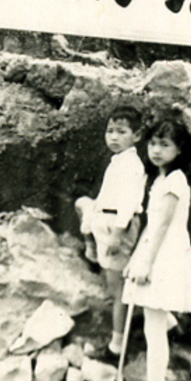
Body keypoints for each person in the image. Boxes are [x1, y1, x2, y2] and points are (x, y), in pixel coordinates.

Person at [122, 111, 191, 381]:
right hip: (156, 250)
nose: (156, 150)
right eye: (153, 143)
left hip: (166, 256)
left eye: (164, 145)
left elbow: (163, 227)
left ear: (178, 150)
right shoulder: (160, 178)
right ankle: (172, 323)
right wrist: (135, 259)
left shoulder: (175, 182)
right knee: (153, 313)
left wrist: (146, 264)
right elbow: (152, 226)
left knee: (153, 330)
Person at [75, 104, 146, 362]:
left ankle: (117, 345)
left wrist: (117, 233)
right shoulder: (119, 161)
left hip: (118, 224)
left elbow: (128, 203)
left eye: (122, 131)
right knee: (81, 203)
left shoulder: (133, 166)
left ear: (136, 136)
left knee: (117, 291)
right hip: (104, 219)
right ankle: (92, 251)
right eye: (110, 131)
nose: (114, 137)